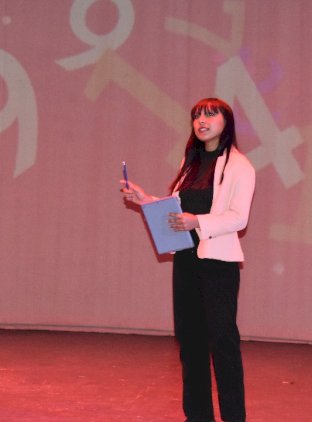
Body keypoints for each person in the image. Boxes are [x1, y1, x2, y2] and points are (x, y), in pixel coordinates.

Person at [120, 98, 255, 422]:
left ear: (227, 122)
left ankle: (234, 417)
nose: (201, 121)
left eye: (210, 114)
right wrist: (146, 200)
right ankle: (197, 416)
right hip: (186, 260)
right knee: (191, 344)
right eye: (197, 116)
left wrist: (198, 221)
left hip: (217, 264)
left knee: (222, 344)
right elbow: (178, 210)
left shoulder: (240, 166)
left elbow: (239, 217)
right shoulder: (190, 162)